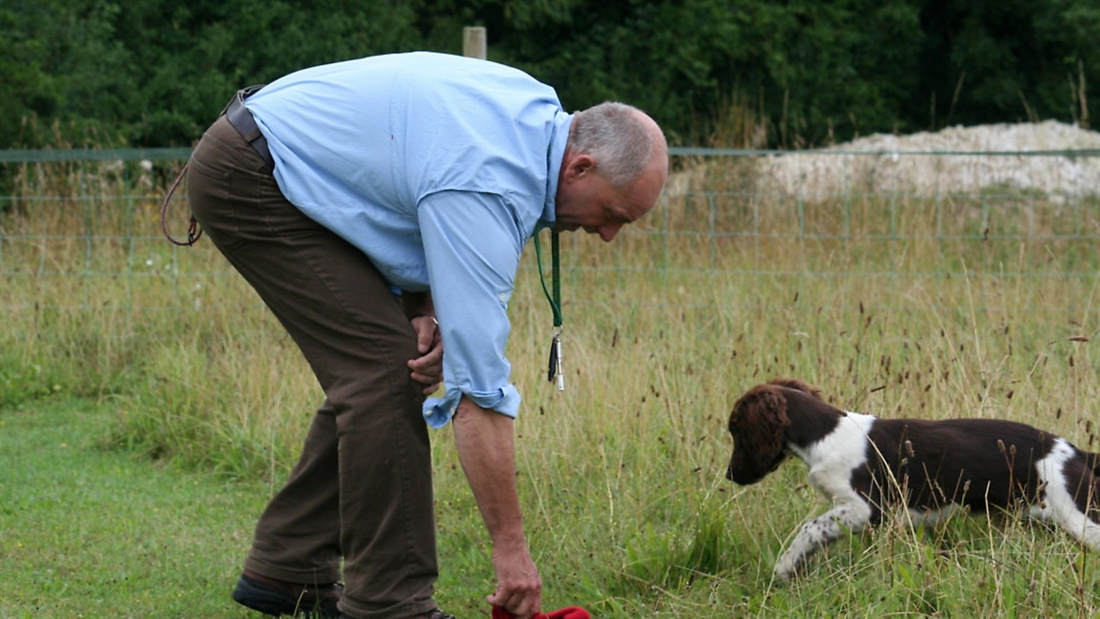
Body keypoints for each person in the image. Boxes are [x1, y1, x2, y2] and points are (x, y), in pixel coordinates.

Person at [185, 51, 668, 619]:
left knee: (392, 363)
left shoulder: (533, 119)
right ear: (579, 168)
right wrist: (512, 554)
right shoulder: (491, 179)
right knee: (384, 372)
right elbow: (477, 398)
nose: (607, 234)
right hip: (251, 174)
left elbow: (415, 178)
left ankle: (289, 566)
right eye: (614, 213)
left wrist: (427, 307)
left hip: (281, 162)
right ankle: (390, 603)